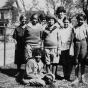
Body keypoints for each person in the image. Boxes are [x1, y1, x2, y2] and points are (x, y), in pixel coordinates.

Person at [72, 14, 88, 84]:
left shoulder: (86, 27)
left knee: (83, 61)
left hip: (84, 43)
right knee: (76, 61)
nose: (80, 21)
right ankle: (76, 78)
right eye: (79, 19)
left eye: (82, 20)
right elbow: (72, 37)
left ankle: (82, 78)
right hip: (76, 43)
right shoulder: (74, 27)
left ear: (84, 20)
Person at [59, 17, 74, 81]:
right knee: (64, 63)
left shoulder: (71, 29)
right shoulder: (61, 29)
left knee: (69, 63)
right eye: (64, 22)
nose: (66, 23)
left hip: (69, 47)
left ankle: (68, 76)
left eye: (67, 22)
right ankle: (65, 76)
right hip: (62, 47)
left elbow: (73, 39)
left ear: (69, 23)